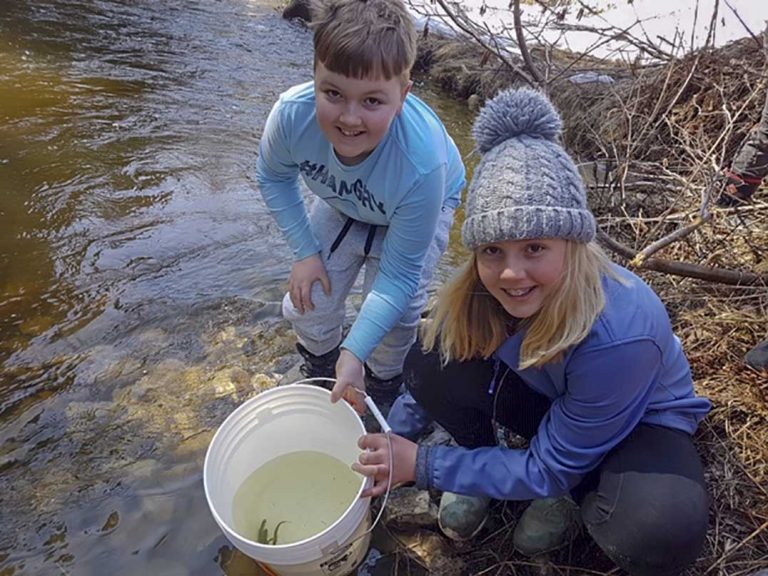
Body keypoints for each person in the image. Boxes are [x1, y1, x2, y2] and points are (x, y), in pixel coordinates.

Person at [352, 88, 712, 576]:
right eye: (493, 250)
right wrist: (393, 441)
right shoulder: (485, 291)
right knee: (425, 358)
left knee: (656, 529)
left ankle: (567, 494)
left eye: (535, 247)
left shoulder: (621, 333)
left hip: (636, 421)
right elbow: (425, 377)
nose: (510, 274)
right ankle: (494, 466)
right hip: (556, 396)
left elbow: (552, 465)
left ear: (572, 243)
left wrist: (425, 465)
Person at [255, 0, 465, 412]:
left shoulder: (423, 165)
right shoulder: (290, 117)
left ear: (403, 96)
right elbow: (273, 177)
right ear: (313, 76)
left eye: (372, 101)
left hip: (418, 203)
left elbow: (398, 277)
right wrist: (305, 254)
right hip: (347, 199)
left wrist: (357, 351)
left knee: (396, 316)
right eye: (333, 93)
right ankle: (320, 369)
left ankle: (383, 390)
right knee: (307, 299)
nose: (349, 119)